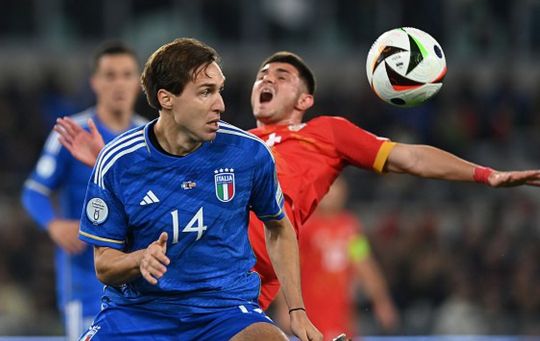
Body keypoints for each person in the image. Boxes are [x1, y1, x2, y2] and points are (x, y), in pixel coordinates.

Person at [55, 51, 540, 315]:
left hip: (243, 276)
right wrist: (103, 157)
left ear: (305, 100)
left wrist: (486, 174)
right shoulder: (229, 141)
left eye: (282, 75)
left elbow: (409, 157)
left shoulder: (326, 135)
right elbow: (161, 172)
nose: (265, 79)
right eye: (262, 74)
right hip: (189, 263)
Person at [76, 38, 321, 340]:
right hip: (138, 311)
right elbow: (104, 264)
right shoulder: (118, 162)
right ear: (167, 98)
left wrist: (297, 311)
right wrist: (139, 259)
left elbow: (279, 227)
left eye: (219, 90)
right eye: (206, 92)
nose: (220, 105)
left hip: (223, 310)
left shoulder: (249, 153)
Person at [21, 41, 146, 340]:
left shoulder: (149, 137)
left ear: (138, 83)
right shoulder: (71, 132)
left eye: (127, 75)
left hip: (138, 280)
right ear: (95, 82)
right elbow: (34, 191)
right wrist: (53, 224)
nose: (119, 83)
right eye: (110, 75)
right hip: (85, 282)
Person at [297, 176, 398, 338]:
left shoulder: (350, 227)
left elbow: (364, 263)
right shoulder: (305, 226)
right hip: (310, 308)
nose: (332, 195)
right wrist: (287, 307)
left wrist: (381, 301)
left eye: (337, 189)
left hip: (342, 311)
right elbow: (286, 267)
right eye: (329, 189)